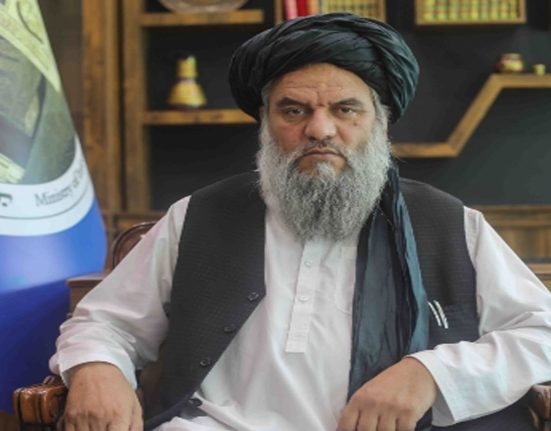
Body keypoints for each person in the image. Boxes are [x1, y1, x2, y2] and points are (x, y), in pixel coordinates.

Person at [49, 13, 551, 431]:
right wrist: (96, 368)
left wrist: (429, 374)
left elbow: (540, 332)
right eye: (294, 110)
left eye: (345, 109)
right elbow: (105, 321)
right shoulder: (199, 216)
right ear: (266, 123)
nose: (319, 129)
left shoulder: (448, 223)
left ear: (380, 124)